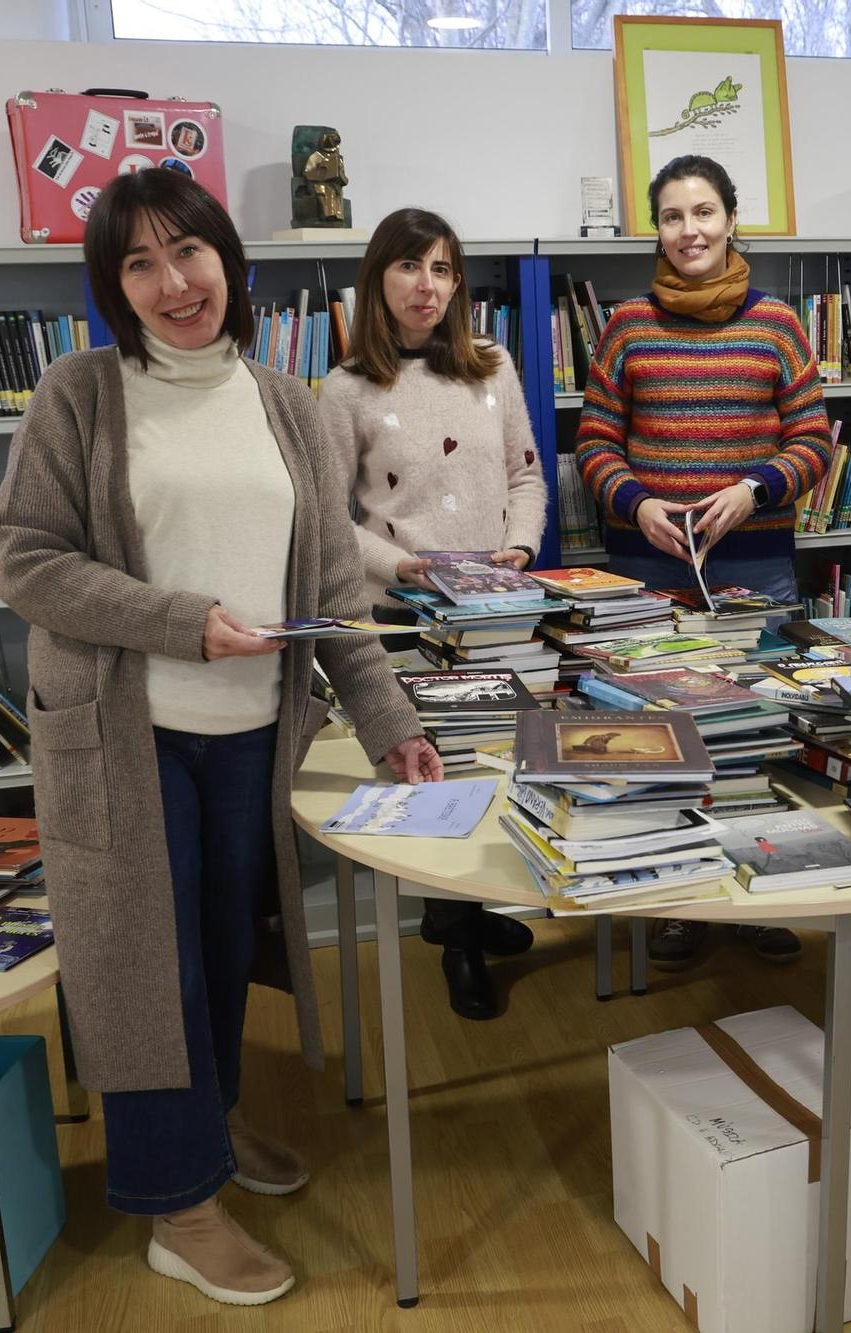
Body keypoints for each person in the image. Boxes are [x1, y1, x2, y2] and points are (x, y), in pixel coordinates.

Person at [0, 167, 441, 1306]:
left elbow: (333, 582)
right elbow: (28, 562)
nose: (170, 281)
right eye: (136, 262)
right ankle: (175, 1208)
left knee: (223, 952)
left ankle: (210, 1130)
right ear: (114, 286)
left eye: (186, 251)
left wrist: (387, 717)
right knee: (147, 973)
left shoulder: (288, 402)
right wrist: (180, 621)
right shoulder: (79, 394)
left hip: (252, 738)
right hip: (125, 738)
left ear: (226, 260)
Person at [575, 153, 831, 970]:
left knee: (753, 738)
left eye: (705, 212)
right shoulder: (626, 325)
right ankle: (675, 899)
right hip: (644, 574)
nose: (691, 230)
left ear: (731, 219)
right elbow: (593, 443)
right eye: (675, 215)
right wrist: (636, 503)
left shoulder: (778, 325)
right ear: (657, 228)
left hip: (752, 571)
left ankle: (758, 884)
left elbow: (814, 440)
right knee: (656, 741)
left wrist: (756, 489)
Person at [320, 206, 547, 1022]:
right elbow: (327, 516)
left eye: (445, 270)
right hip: (408, 617)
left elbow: (527, 477)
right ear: (378, 277)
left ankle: (476, 912)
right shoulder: (345, 388)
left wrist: (519, 550)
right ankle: (452, 934)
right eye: (412, 267)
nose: (429, 286)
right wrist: (403, 564)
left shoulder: (492, 367)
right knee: (434, 774)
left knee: (501, 764)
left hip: (498, 613)